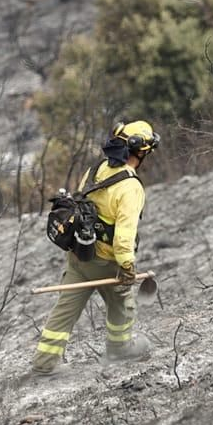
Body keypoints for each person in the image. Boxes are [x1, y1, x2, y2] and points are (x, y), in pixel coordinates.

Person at [31, 120, 159, 374]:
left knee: (65, 310)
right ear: (141, 152)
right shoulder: (131, 188)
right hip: (107, 264)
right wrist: (127, 268)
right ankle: (120, 348)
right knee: (122, 304)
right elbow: (124, 238)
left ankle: (44, 364)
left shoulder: (95, 170)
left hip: (79, 256)